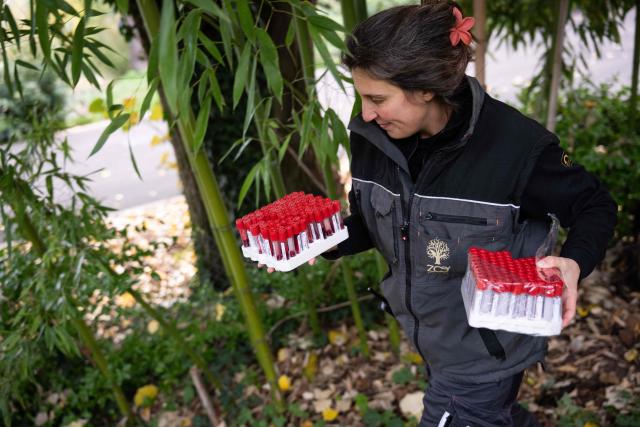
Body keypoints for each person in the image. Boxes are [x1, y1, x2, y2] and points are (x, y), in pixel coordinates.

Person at [318, 1, 617, 426]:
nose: (365, 112)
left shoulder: (516, 148)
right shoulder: (372, 133)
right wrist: (322, 242)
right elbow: (373, 222)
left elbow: (595, 205)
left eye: (378, 98)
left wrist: (574, 263)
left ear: (425, 88)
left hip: (483, 358)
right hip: (432, 341)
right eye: (362, 96)